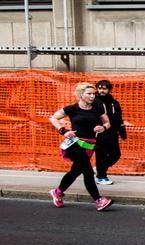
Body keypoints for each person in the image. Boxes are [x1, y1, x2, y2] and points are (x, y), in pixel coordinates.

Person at [48, 82, 114, 211]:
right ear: (80, 95)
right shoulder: (72, 108)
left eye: (93, 94)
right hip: (75, 144)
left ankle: (58, 192)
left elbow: (107, 123)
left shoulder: (97, 108)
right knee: (88, 172)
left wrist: (103, 128)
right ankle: (99, 200)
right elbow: (53, 118)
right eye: (89, 94)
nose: (92, 96)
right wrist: (64, 131)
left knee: (75, 171)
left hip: (89, 146)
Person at [94, 79, 127, 185]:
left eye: (104, 88)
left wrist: (122, 131)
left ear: (109, 90)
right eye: (99, 88)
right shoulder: (94, 101)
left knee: (116, 154)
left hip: (112, 132)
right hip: (100, 133)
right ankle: (101, 176)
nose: (101, 91)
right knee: (101, 155)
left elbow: (118, 117)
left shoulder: (114, 103)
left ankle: (100, 168)